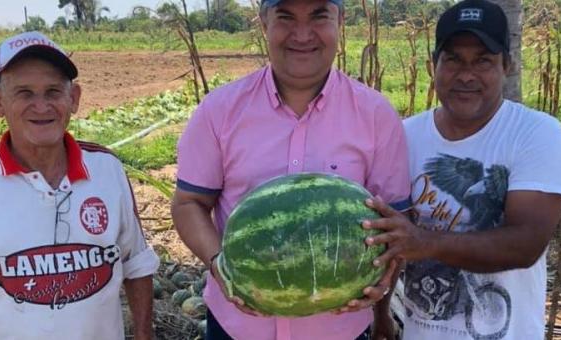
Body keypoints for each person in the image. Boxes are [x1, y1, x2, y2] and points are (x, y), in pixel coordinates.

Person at [170, 0, 411, 339]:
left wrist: (384, 279)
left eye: (318, 16)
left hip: (340, 331)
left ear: (340, 21)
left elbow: (397, 223)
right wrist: (219, 264)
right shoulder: (219, 111)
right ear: (264, 22)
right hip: (238, 329)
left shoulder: (377, 116)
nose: (301, 34)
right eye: (285, 17)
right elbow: (189, 203)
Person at [364, 1, 561, 339]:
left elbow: (526, 243)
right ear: (434, 65)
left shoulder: (536, 134)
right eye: (453, 60)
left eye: (483, 61)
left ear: (508, 65)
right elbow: (388, 235)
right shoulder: (404, 136)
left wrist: (425, 242)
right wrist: (382, 313)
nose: (466, 75)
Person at [0, 31, 160, 340]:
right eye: (24, 93)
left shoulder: (106, 169)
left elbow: (135, 262)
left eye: (53, 92)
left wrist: (144, 333)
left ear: (73, 99)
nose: (42, 106)